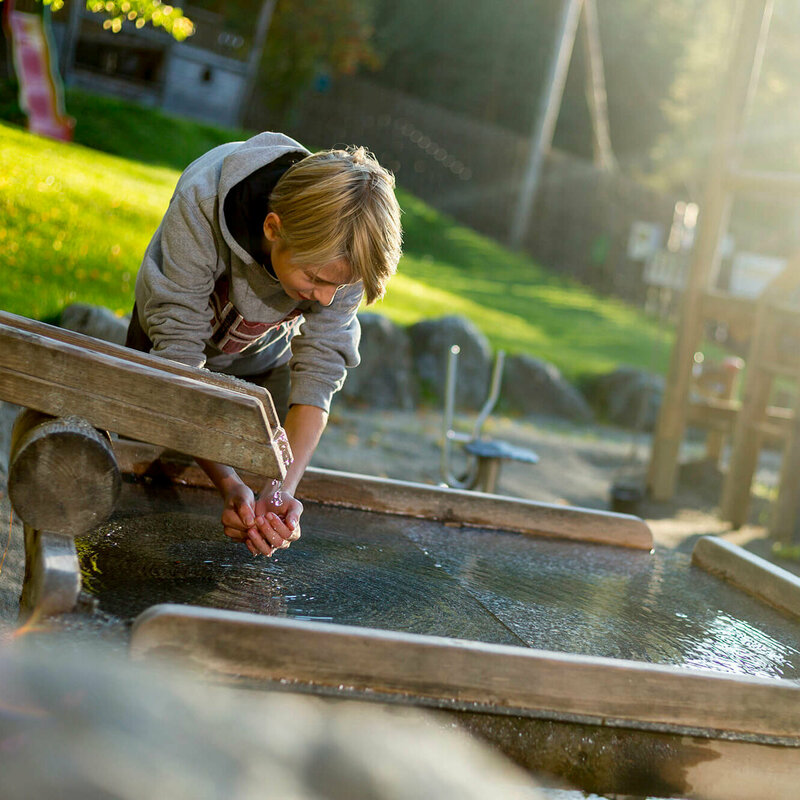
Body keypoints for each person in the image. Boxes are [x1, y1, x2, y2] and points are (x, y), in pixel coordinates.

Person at [125, 131, 402, 558]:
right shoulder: (202, 201)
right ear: (273, 228)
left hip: (261, 360)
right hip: (166, 351)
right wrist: (229, 483)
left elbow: (320, 370)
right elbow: (178, 360)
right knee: (136, 478)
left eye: (340, 286)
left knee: (251, 499)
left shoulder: (344, 248)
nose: (327, 299)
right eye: (315, 280)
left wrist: (279, 488)